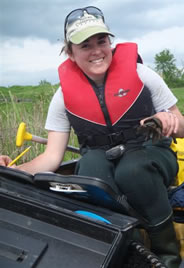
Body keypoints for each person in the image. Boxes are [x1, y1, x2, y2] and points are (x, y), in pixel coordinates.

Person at [0, 6, 184, 267]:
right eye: (85, 45)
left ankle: (168, 256)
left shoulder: (143, 75)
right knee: (91, 168)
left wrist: (171, 121)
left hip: (153, 155)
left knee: (132, 170)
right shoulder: (62, 98)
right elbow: (51, 158)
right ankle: (129, 249)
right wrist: (12, 170)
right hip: (103, 160)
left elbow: (183, 128)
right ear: (70, 53)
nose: (97, 51)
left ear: (111, 42)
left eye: (102, 41)